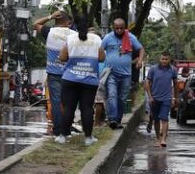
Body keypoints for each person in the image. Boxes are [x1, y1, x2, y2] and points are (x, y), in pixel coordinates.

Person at [55, 16, 104, 145]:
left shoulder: (70, 39)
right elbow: (102, 58)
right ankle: (88, 138)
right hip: (89, 80)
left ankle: (63, 136)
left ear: (75, 27)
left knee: (68, 108)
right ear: (89, 27)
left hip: (70, 79)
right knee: (87, 108)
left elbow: (62, 57)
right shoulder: (97, 39)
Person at [33, 10, 76, 135]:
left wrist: (50, 16)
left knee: (56, 102)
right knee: (68, 102)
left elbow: (36, 24)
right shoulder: (74, 35)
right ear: (68, 22)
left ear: (56, 20)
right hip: (70, 73)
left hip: (54, 73)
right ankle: (67, 127)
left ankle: (58, 129)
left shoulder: (49, 32)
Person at [100, 17, 143, 128]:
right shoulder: (108, 37)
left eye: (121, 28)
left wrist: (140, 60)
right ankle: (112, 119)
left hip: (126, 74)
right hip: (111, 73)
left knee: (122, 98)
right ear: (113, 28)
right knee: (112, 95)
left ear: (125, 28)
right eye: (117, 28)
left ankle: (118, 120)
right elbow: (99, 49)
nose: (119, 30)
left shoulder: (130, 37)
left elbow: (141, 49)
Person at [144, 52, 179, 148]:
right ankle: (158, 139)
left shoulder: (173, 70)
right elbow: (147, 83)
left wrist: (175, 97)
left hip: (166, 98)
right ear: (160, 59)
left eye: (166, 59)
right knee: (156, 119)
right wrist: (150, 97)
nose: (164, 61)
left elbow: (175, 84)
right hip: (154, 98)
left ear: (169, 60)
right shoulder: (153, 69)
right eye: (162, 59)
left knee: (164, 118)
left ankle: (163, 139)